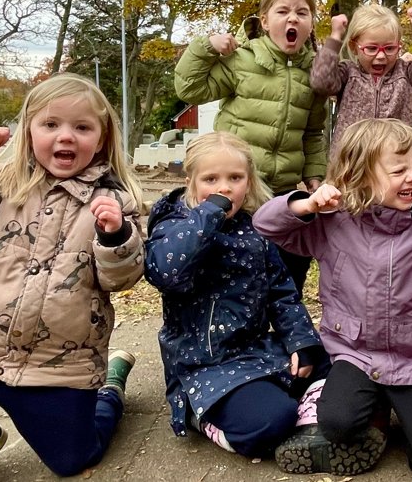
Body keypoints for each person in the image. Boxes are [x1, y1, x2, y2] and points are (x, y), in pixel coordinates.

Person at [254, 118, 412, 482]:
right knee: (337, 423)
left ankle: (398, 408)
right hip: (356, 354)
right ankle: (375, 411)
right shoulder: (333, 224)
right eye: (398, 170)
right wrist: (306, 205)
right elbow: (266, 225)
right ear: (359, 175)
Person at [143, 132, 383, 474]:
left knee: (336, 357)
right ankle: (201, 417)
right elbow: (166, 271)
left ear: (249, 181)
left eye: (235, 178)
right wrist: (209, 214)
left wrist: (300, 341)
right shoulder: (176, 226)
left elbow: (282, 293)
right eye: (211, 179)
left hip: (257, 351)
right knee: (271, 421)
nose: (224, 188)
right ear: (190, 183)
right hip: (206, 365)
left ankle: (313, 428)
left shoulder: (253, 230)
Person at [0, 73, 145, 479]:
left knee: (74, 460)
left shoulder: (115, 201)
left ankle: (110, 387)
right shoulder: (1, 185)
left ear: (101, 137)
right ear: (28, 131)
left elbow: (121, 279)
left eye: (82, 127)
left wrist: (114, 236)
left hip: (58, 366)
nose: (66, 136)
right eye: (51, 124)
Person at [174, 0, 327, 298]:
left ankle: (283, 325)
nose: (292, 19)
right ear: (265, 20)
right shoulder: (243, 60)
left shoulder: (315, 72)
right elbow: (189, 89)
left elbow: (313, 132)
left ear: (311, 23)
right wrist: (205, 47)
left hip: (282, 189)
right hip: (237, 187)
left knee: (292, 260)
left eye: (302, 12)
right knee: (235, 264)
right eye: (282, 11)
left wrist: (314, 176)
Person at [310, 4, 412, 146]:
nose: (381, 56)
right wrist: (335, 37)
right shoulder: (348, 74)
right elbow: (321, 81)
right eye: (371, 49)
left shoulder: (406, 72)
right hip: (354, 162)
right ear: (354, 47)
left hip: (396, 159)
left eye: (390, 48)